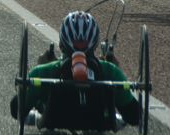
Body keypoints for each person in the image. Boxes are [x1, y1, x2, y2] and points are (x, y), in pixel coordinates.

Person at [11, 11, 141, 128]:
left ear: (62, 44)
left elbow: (16, 109)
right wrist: (116, 70)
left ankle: (40, 110)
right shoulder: (111, 71)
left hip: (54, 119)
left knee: (37, 93)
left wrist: (36, 73)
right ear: (95, 44)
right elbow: (135, 117)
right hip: (100, 121)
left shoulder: (43, 72)